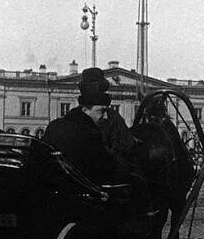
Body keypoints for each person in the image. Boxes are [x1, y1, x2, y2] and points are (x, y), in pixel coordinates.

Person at [43, 68, 150, 213]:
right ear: (85, 110)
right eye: (102, 111)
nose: (105, 117)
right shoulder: (89, 133)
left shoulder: (54, 126)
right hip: (84, 197)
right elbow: (109, 165)